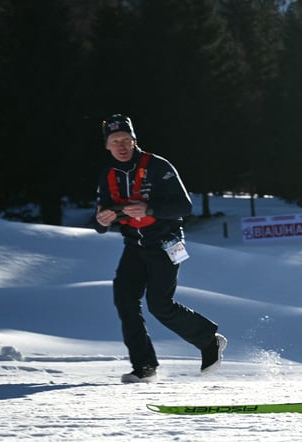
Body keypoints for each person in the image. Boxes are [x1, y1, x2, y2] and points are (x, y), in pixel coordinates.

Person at [93, 114, 226, 383]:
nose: (121, 146)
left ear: (134, 140)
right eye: (115, 141)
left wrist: (149, 208)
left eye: (126, 140)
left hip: (167, 242)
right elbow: (101, 218)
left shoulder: (158, 166)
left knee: (160, 304)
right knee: (125, 301)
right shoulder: (108, 176)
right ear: (107, 145)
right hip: (134, 245)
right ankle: (144, 367)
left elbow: (185, 207)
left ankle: (209, 340)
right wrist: (101, 222)